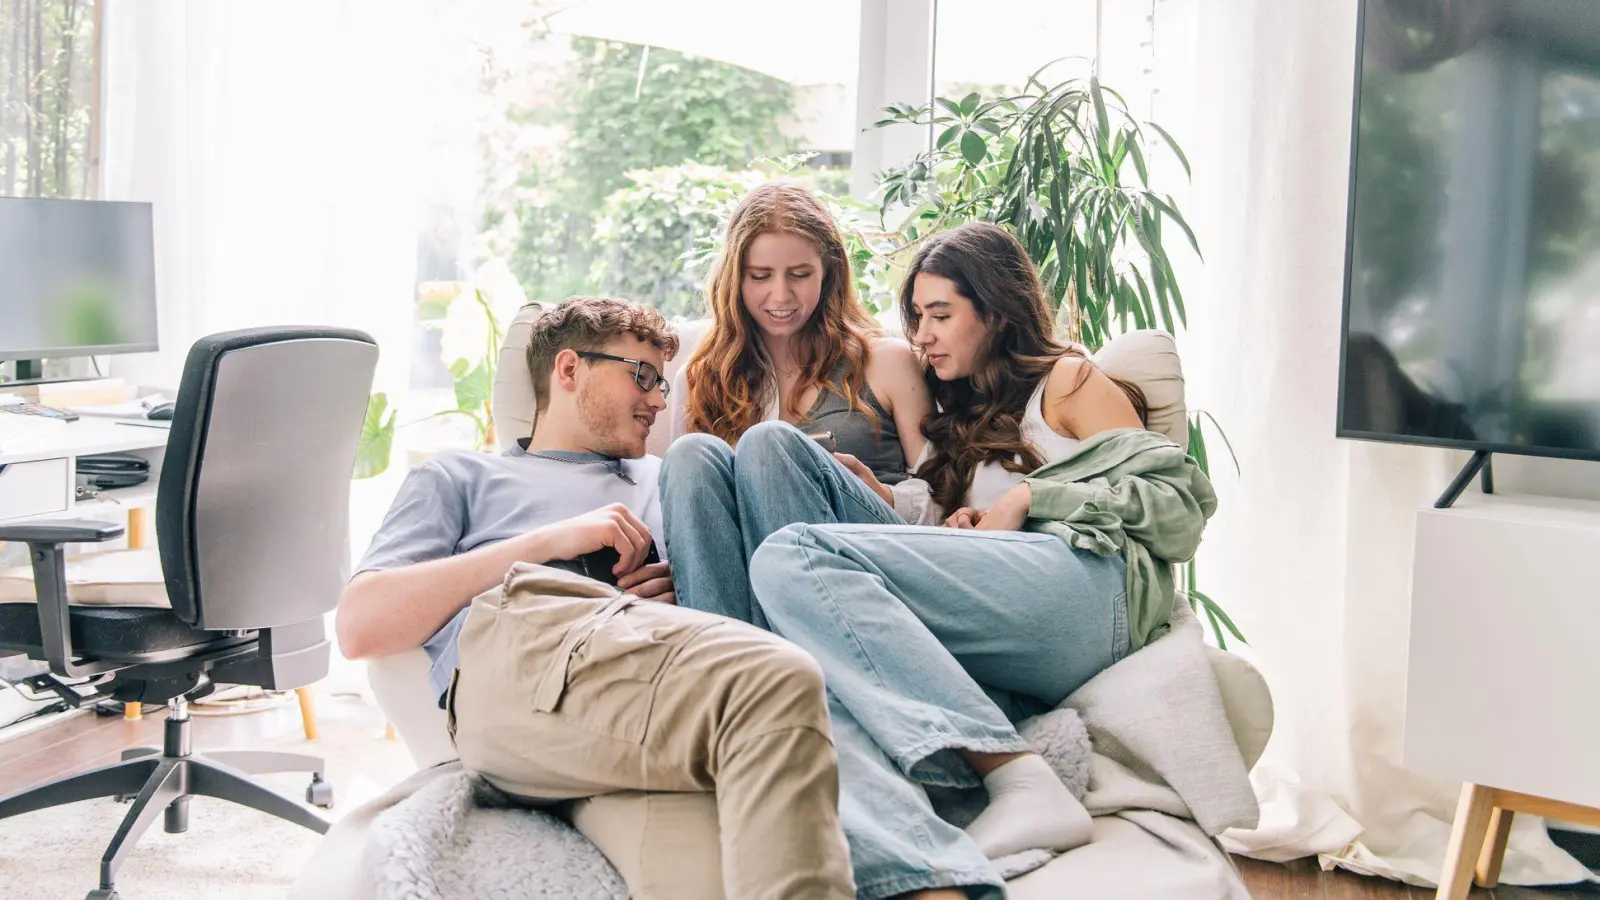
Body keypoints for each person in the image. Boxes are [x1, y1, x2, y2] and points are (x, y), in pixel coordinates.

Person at [747, 223, 1218, 900]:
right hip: (1019, 614)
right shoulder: (959, 415)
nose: (922, 336)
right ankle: (910, 835)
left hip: (1095, 594)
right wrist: (899, 503)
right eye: (916, 317)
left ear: (995, 314)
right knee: (808, 620)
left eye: (941, 315)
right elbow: (961, 542)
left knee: (793, 554)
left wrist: (1031, 496)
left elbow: (1180, 501)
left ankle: (1019, 777)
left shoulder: (1067, 381)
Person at [336, 296, 854, 900]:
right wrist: (547, 544)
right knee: (781, 679)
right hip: (524, 645)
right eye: (641, 376)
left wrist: (683, 585)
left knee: (707, 860)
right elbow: (359, 625)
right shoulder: (461, 476)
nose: (660, 401)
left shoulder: (675, 477)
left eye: (662, 384)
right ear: (569, 370)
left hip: (656, 673)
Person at [661, 182, 933, 627]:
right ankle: (729, 667)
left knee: (770, 445)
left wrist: (883, 495)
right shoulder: (701, 376)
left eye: (800, 274)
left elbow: (947, 497)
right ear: (736, 277)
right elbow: (690, 512)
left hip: (866, 553)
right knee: (691, 455)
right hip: (746, 579)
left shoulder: (887, 360)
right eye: (761, 276)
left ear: (828, 272)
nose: (782, 297)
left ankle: (802, 651)